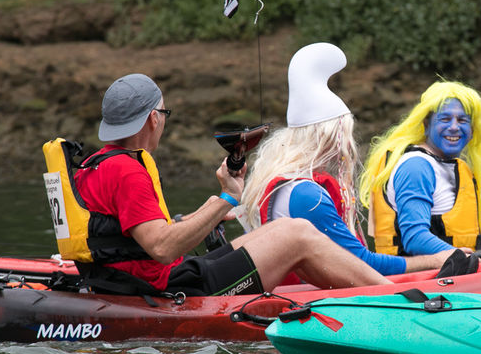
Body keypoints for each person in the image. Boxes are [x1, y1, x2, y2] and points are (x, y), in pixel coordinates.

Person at [71, 72, 391, 296]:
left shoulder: (96, 164)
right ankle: (392, 297)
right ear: (153, 118)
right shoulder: (128, 171)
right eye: (164, 113)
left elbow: (138, 236)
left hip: (139, 278)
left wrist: (210, 210)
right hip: (169, 286)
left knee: (282, 231)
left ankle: (368, 290)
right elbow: (163, 248)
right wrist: (226, 197)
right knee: (296, 235)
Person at [240, 43, 454, 275]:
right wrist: (435, 260)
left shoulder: (280, 179)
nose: (347, 147)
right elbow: (362, 264)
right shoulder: (307, 195)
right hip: (302, 302)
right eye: (345, 136)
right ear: (328, 139)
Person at [358, 81, 481, 257]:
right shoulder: (416, 167)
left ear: (472, 130)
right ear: (426, 124)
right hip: (418, 277)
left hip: (449, 273)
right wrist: (461, 256)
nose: (454, 127)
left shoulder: (451, 165)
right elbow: (414, 239)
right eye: (445, 119)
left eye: (462, 120)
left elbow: (441, 223)